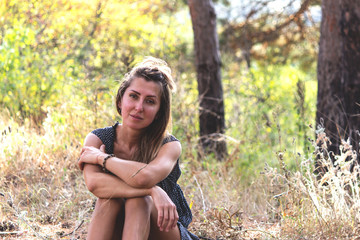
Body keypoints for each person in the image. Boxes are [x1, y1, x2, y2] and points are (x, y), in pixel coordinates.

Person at [78, 57, 199, 240]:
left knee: (139, 202)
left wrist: (102, 159)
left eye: (150, 101)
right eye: (133, 96)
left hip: (164, 230)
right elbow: (94, 184)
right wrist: (152, 190)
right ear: (120, 100)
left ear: (159, 111)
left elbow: (144, 177)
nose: (139, 107)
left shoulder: (169, 145)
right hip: (121, 228)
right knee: (108, 200)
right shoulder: (98, 139)